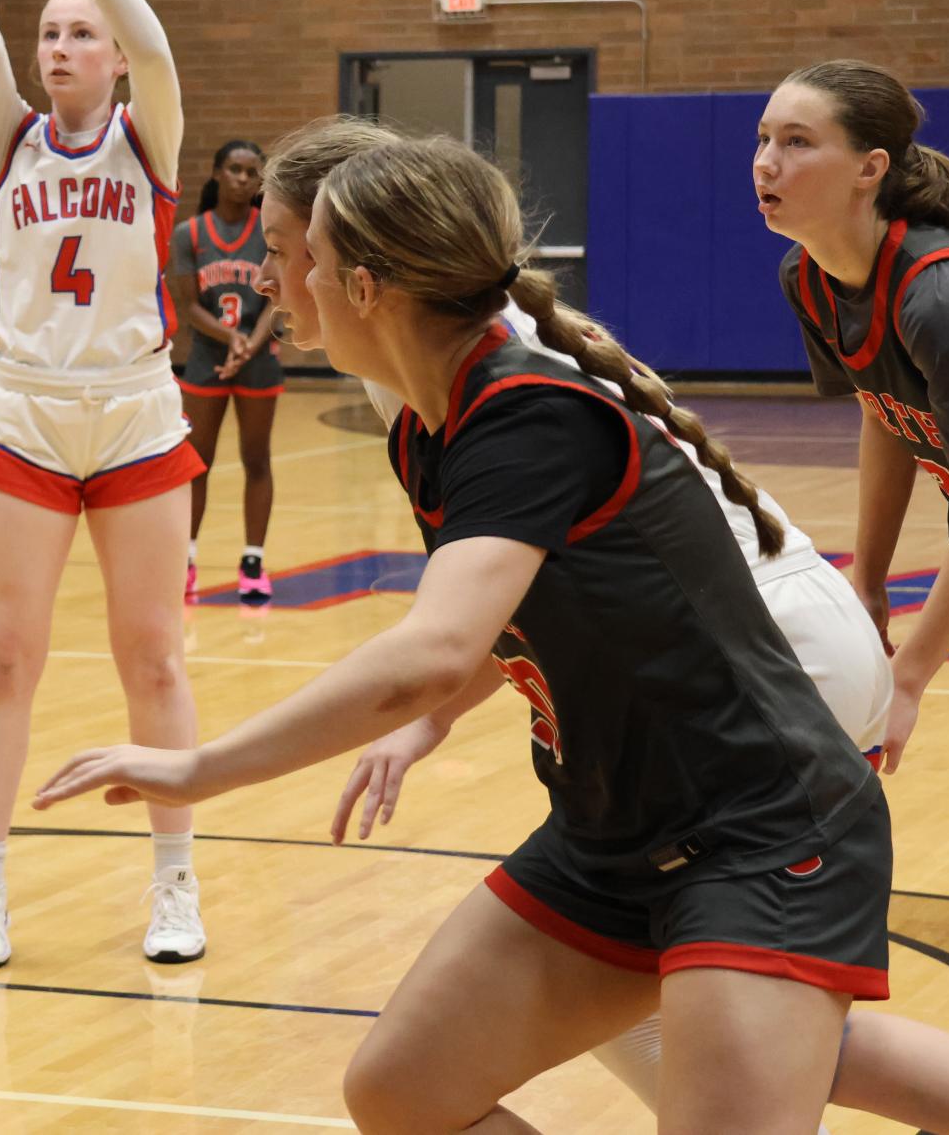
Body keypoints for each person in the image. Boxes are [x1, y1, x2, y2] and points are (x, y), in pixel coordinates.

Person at [32, 129, 949, 1133]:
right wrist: (428, 717)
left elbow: (430, 653)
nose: (290, 280)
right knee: (402, 1087)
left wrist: (201, 766)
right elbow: (503, 623)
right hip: (618, 828)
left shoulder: (525, 408)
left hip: (757, 826)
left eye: (312, 261)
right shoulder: (439, 415)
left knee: (745, 1065)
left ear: (371, 286)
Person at [264, 116, 893, 1124]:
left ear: (362, 259)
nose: (269, 273)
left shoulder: (472, 374)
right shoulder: (448, 350)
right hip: (770, 635)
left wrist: (410, 702)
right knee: (638, 974)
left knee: (655, 976)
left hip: (763, 653)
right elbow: (537, 595)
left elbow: (511, 600)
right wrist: (431, 714)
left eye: (284, 248)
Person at [0, 0, 206, 970]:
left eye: (77, 32)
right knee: (7, 655)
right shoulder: (9, 136)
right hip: (28, 411)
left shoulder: (150, 133)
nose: (60, 47)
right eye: (50, 33)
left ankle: (176, 880)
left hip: (137, 410)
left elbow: (154, 43)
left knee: (154, 656)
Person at [766, 58, 949, 1076]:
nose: (767, 161)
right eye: (762, 138)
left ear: (870, 166)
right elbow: (886, 412)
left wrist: (912, 673)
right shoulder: (813, 275)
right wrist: (868, 576)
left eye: (799, 141)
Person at [169, 138, 278, 605]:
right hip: (206, 359)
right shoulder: (190, 234)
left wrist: (250, 344)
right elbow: (187, 306)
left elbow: (281, 296)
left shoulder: (270, 230)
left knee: (256, 459)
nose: (242, 179)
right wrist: (230, 338)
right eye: (234, 169)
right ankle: (185, 560)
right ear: (216, 173)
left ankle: (253, 560)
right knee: (196, 463)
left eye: (251, 172)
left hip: (258, 361)